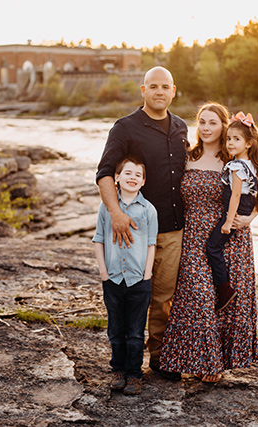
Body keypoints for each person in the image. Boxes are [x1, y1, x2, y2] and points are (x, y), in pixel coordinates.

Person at [95, 66, 189, 380]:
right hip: (133, 230)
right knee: (128, 295)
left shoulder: (181, 127)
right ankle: (123, 362)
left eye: (166, 86)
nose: (160, 91)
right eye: (154, 86)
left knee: (163, 297)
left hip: (174, 228)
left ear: (174, 91)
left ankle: (160, 358)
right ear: (143, 90)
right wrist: (116, 215)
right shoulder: (125, 128)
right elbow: (105, 173)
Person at [159, 102, 258, 383]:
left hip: (228, 237)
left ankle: (214, 363)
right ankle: (189, 359)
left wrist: (250, 216)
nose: (206, 128)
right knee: (198, 297)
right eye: (202, 122)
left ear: (224, 126)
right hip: (192, 235)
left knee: (223, 302)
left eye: (213, 123)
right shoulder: (186, 157)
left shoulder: (235, 160)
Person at [93, 156, 158, 395]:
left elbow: (152, 244)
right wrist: (103, 271)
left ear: (143, 182)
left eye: (138, 175)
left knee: (136, 331)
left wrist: (147, 274)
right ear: (116, 178)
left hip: (139, 280)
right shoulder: (107, 207)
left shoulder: (148, 210)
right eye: (127, 173)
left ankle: (134, 375)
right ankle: (118, 371)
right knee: (115, 330)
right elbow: (98, 239)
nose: (132, 178)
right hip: (113, 279)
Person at [206, 112, 258, 311]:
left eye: (236, 139)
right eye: (228, 139)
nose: (230, 143)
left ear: (248, 143)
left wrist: (227, 221)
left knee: (212, 247)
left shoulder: (236, 166)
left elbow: (234, 196)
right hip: (244, 210)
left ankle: (224, 289)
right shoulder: (253, 165)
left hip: (234, 211)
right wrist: (250, 217)